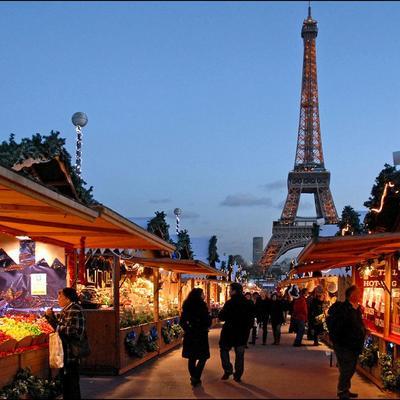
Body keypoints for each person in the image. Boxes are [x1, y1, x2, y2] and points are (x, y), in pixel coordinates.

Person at [45, 287, 86, 400]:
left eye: (60, 296)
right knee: (67, 383)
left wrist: (54, 322)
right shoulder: (68, 309)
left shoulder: (74, 309)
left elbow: (74, 331)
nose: (58, 299)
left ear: (67, 299)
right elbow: (62, 324)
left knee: (71, 384)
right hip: (66, 352)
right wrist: (51, 317)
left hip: (71, 353)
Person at [327, 285, 366, 400]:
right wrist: (340, 341)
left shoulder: (356, 308)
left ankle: (345, 389)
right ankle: (342, 391)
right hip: (344, 344)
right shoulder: (345, 309)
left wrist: (363, 329)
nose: (360, 294)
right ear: (352, 295)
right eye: (358, 292)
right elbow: (342, 326)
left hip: (353, 344)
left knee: (351, 367)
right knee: (346, 368)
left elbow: (356, 324)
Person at [218, 283, 255, 383]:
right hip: (242, 333)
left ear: (234, 291)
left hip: (229, 331)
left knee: (224, 350)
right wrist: (248, 329)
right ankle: (238, 375)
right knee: (239, 354)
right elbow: (251, 319)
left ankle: (228, 369)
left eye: (230, 290)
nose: (229, 291)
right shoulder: (248, 303)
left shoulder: (229, 303)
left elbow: (221, 316)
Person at [179, 288, 212, 387]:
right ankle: (196, 377)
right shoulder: (202, 306)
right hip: (201, 334)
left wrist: (188, 329)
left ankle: (194, 377)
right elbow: (207, 321)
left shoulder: (187, 305)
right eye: (203, 294)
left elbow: (182, 321)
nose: (204, 295)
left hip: (190, 335)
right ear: (199, 295)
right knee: (203, 357)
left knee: (192, 357)